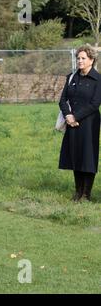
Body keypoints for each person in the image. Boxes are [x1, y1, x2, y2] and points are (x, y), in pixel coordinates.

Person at [59, 45, 101, 202]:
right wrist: (68, 115)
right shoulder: (71, 77)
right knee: (75, 156)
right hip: (71, 123)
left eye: (83, 58)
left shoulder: (98, 79)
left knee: (88, 157)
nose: (80, 61)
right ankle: (78, 192)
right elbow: (62, 99)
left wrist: (75, 117)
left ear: (91, 60)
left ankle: (86, 194)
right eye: (78, 58)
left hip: (89, 123)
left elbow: (95, 104)